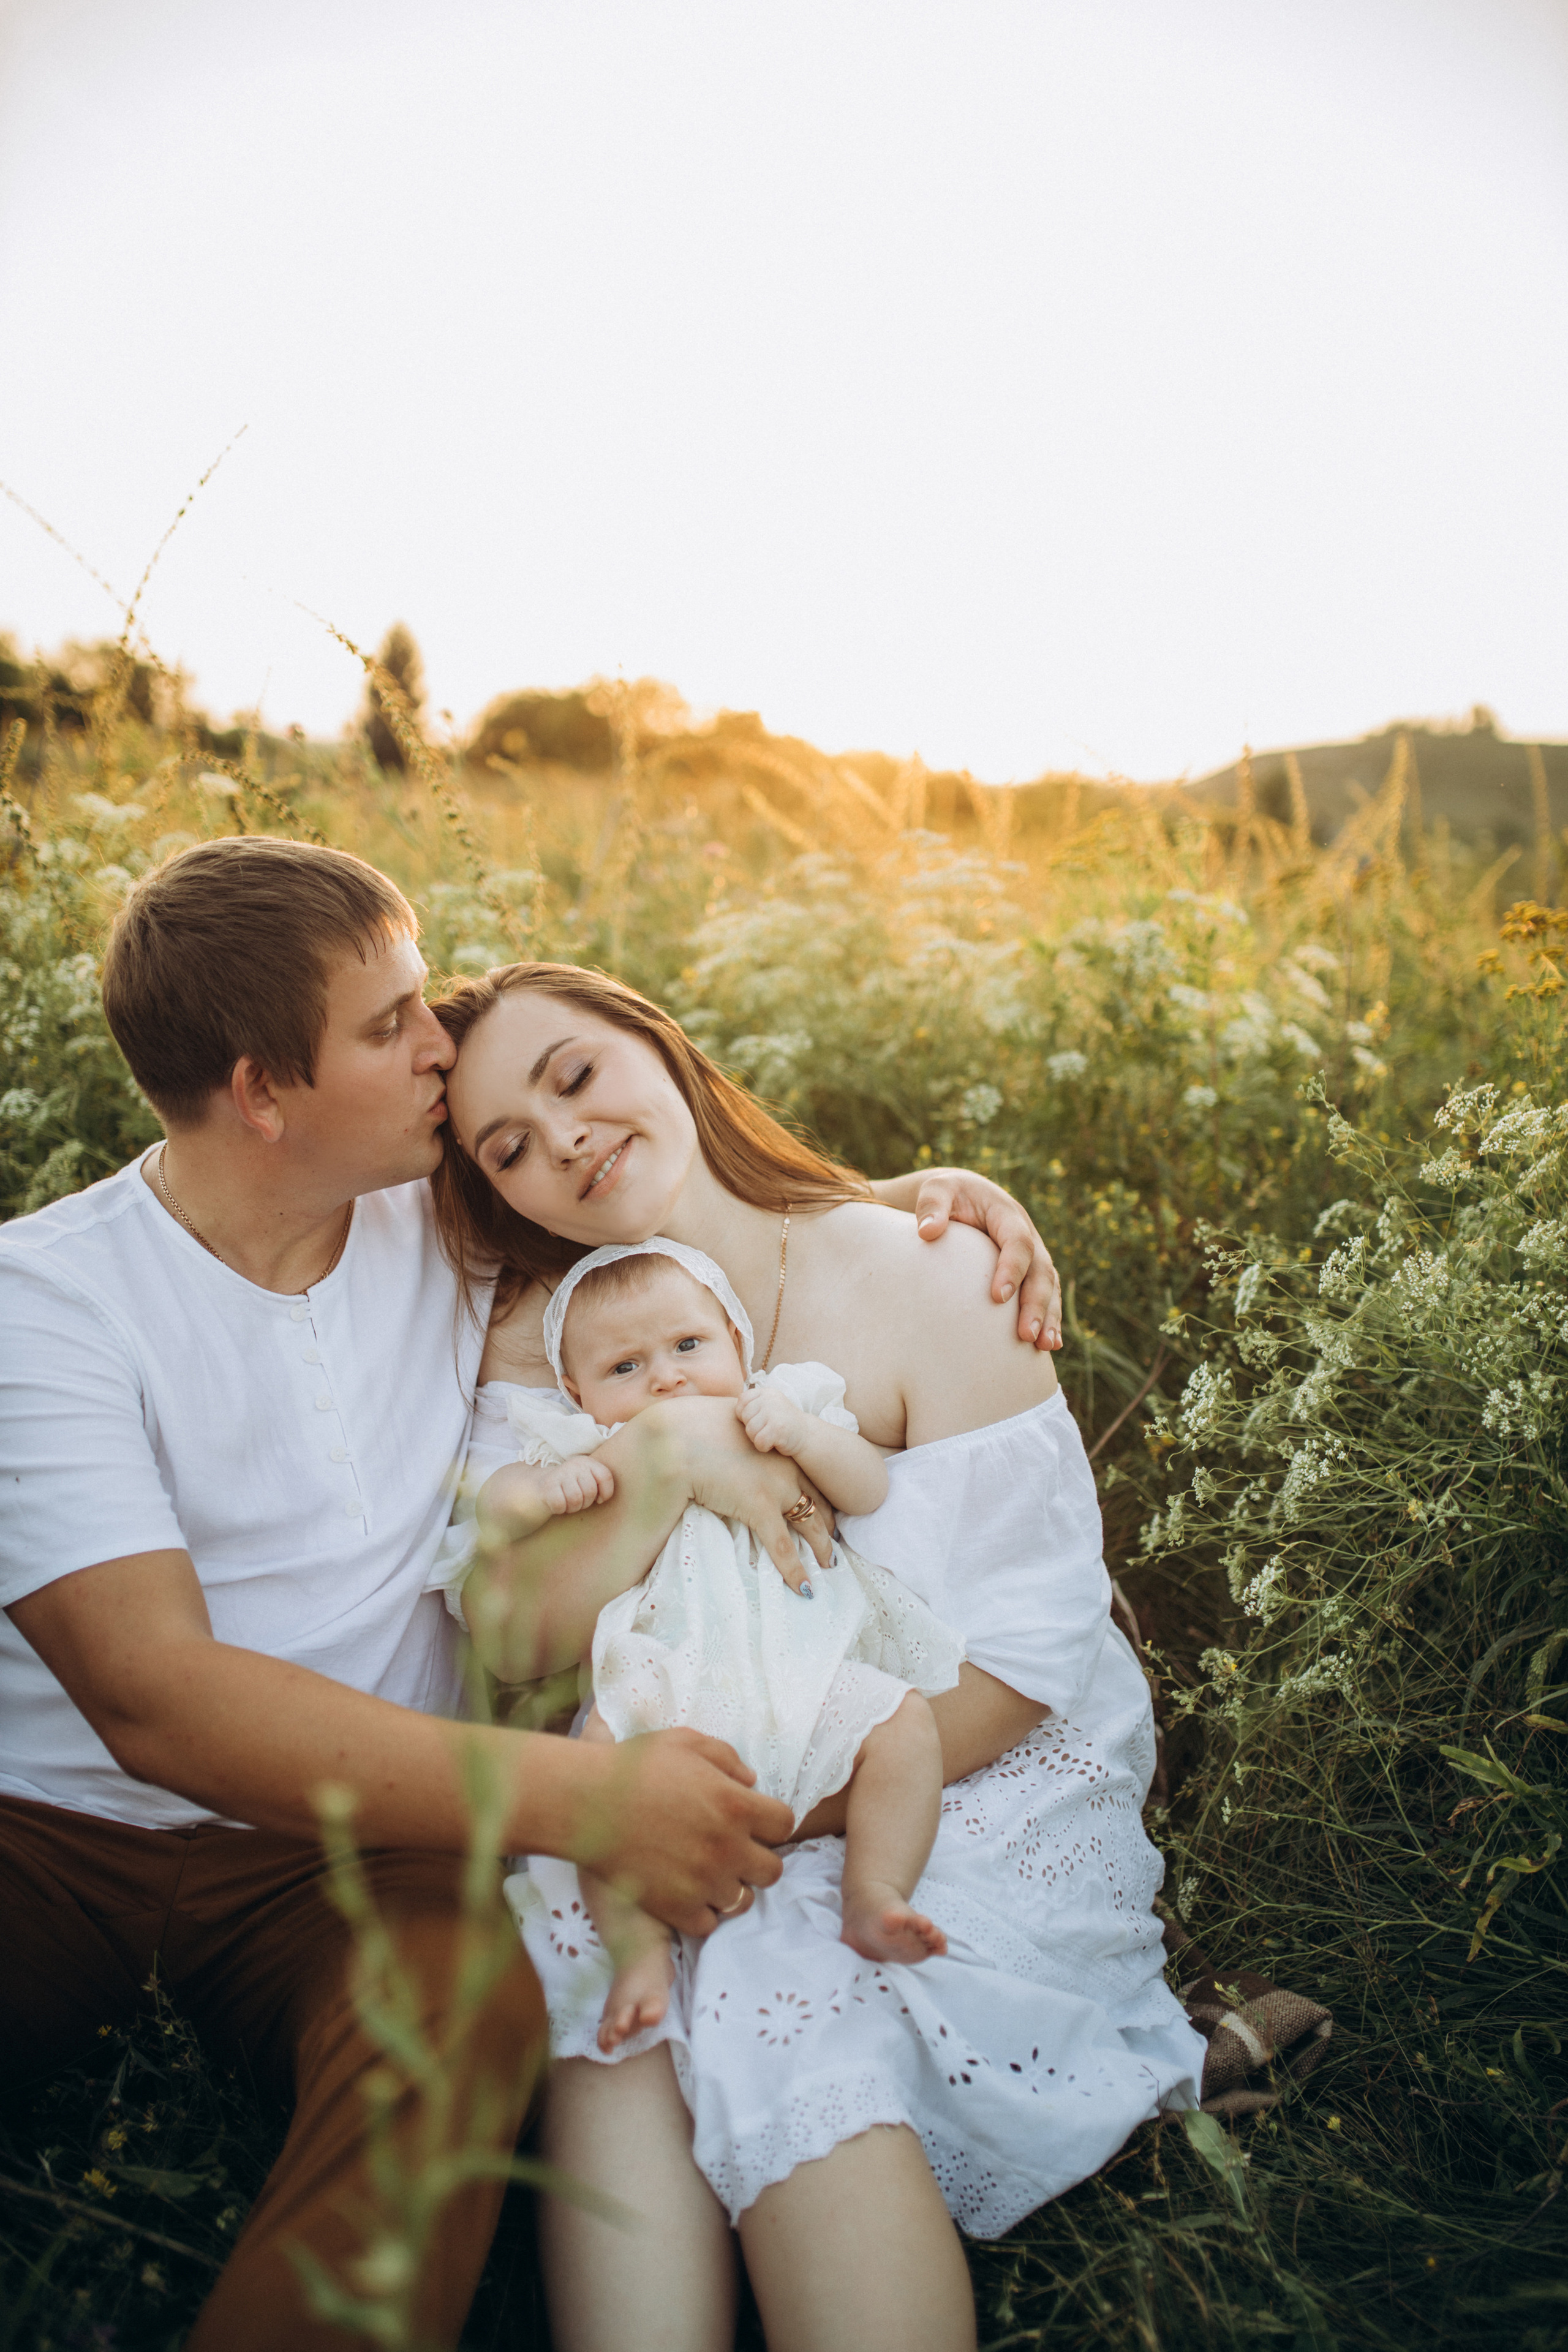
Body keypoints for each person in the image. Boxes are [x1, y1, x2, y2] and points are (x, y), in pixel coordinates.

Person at [0, 835, 1060, 2351]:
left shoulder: (433, 1210)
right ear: (260, 1093)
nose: (436, 1048)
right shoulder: (43, 1300)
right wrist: (578, 1800)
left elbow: (657, 1221)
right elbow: (149, 1696)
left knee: (463, 2018)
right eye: (389, 1027)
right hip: (45, 1827)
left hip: (349, 1858)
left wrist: (914, 1205)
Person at [432, 959, 1208, 2352]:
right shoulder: (540, 1344)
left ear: (655, 1045)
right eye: (509, 1147)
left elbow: (1024, 1661)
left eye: (574, 1078)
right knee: (608, 1982)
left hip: (949, 1769)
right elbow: (511, 1642)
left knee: (783, 1977)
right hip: (684, 1753)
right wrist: (663, 1453)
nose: (565, 1142)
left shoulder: (924, 1268)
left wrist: (778, 1814)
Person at [451, 1238, 964, 2054]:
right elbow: (497, 1511)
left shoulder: (782, 1404)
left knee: (902, 1723)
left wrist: (801, 1435)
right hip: (661, 1679)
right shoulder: (581, 1445)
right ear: (577, 1391)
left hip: (801, 1666)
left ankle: (875, 1892)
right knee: (599, 1774)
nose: (666, 1378)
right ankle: (639, 1956)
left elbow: (867, 1486)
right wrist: (542, 1492)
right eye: (625, 1367)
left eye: (688, 1346)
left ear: (736, 1339)